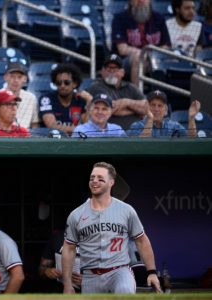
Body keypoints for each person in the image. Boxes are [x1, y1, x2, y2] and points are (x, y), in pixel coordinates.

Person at [61, 162, 161, 294]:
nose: (95, 181)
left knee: (124, 290)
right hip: (90, 276)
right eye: (92, 178)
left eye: (100, 179)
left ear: (111, 182)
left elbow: (141, 241)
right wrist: (67, 284)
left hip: (120, 271)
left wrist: (152, 272)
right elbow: (68, 248)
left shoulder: (126, 210)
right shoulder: (76, 215)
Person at [112, 0, 171, 84]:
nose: (141, 1)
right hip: (125, 62)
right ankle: (137, 95)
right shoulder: (120, 18)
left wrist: (151, 56)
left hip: (153, 59)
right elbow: (123, 49)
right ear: (130, 1)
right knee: (138, 58)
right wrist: (143, 53)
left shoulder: (159, 18)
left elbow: (166, 45)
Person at [87, 54, 148, 130]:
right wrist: (136, 111)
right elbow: (109, 109)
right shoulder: (97, 86)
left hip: (135, 134)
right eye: (108, 69)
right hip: (108, 133)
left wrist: (126, 102)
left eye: (115, 69)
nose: (111, 72)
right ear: (102, 71)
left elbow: (147, 108)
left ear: (122, 72)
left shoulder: (131, 87)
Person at [38, 63, 91, 136]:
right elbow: (51, 126)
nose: (62, 86)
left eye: (67, 82)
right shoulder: (46, 99)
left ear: (74, 84)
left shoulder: (81, 100)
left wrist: (89, 101)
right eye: (59, 83)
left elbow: (87, 126)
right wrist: (78, 129)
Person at [0, 62, 40, 129]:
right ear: (5, 77)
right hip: (1, 136)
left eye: (19, 77)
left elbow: (35, 124)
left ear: (25, 79)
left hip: (25, 137)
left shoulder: (31, 98)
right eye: (12, 76)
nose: (16, 80)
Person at [128, 90, 201, 137]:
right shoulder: (137, 126)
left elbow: (191, 140)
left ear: (165, 110)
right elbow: (139, 147)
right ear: (146, 107)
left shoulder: (173, 125)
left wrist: (191, 119)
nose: (156, 109)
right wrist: (150, 119)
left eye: (160, 106)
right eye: (153, 105)